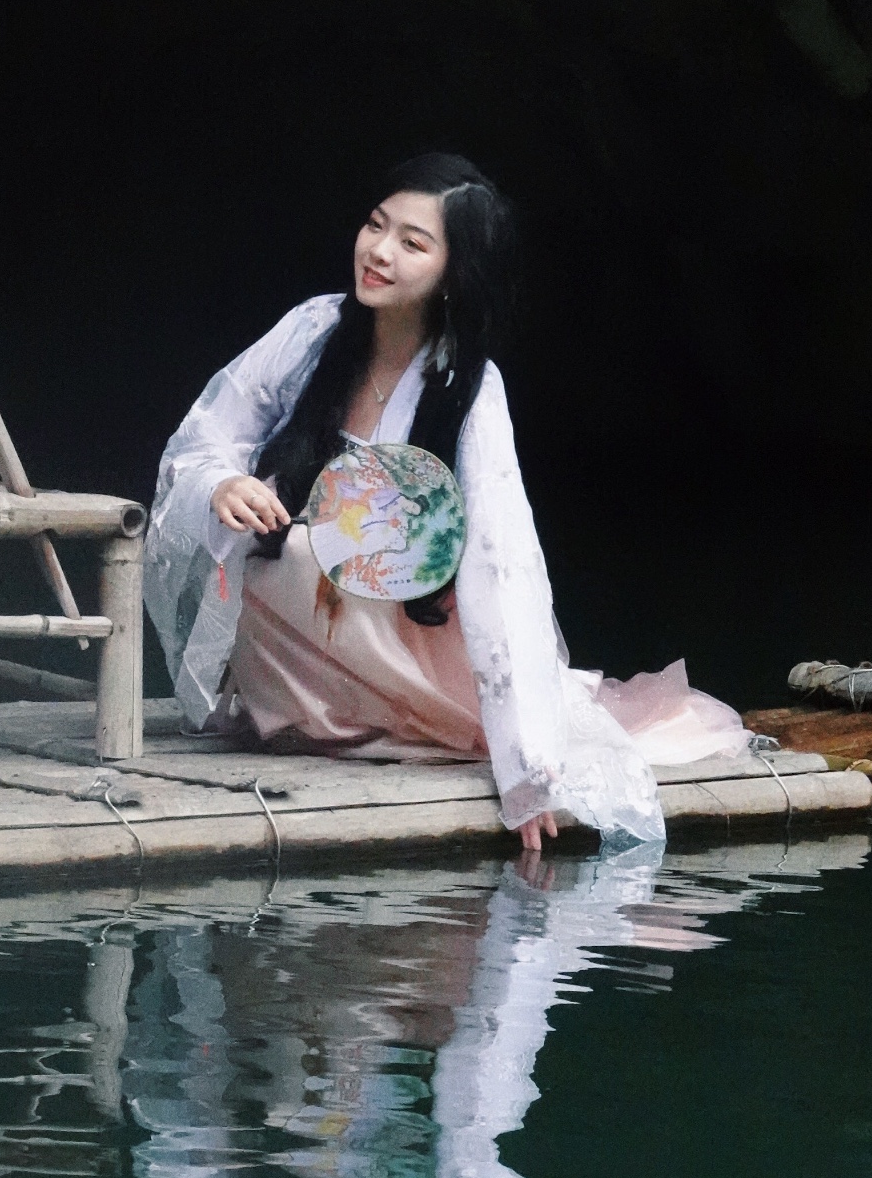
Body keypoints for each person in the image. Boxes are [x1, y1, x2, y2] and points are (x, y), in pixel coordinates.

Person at [144, 153, 749, 851]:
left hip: (410, 628)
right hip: (305, 624)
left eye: (412, 243)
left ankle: (397, 717)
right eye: (376, 226)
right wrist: (224, 483)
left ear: (453, 272)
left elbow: (500, 564)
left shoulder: (468, 386)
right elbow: (205, 437)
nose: (379, 252)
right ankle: (316, 713)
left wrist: (525, 768)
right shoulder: (314, 330)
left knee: (311, 551)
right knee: (273, 547)